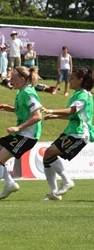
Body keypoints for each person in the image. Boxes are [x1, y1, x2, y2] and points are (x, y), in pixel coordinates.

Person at [0, 66, 42, 202]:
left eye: (13, 78)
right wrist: (12, 109)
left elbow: (37, 116)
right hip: (21, 134)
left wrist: (19, 128)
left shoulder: (28, 93)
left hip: (27, 135)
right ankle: (10, 183)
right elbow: (26, 111)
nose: (10, 80)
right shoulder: (21, 92)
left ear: (22, 79)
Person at [41, 68, 94, 200]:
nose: (69, 80)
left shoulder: (83, 95)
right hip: (72, 131)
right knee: (47, 156)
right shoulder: (78, 94)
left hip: (78, 133)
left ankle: (66, 181)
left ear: (80, 80)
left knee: (49, 153)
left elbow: (72, 110)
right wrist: (54, 116)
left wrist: (51, 110)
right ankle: (54, 193)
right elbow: (75, 116)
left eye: (72, 78)